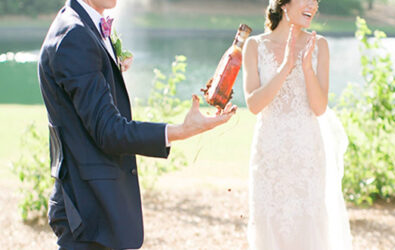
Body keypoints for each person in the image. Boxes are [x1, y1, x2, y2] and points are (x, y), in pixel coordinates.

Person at [38, 0, 237, 249]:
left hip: (93, 203)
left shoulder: (82, 25)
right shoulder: (75, 36)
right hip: (88, 209)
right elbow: (109, 131)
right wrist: (182, 130)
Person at [242, 0, 352, 249]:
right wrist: (285, 67)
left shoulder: (319, 45)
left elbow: (319, 107)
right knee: (268, 220)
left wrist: (306, 68)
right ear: (284, 4)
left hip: (307, 151)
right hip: (269, 151)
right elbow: (254, 104)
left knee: (309, 222)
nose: (313, 6)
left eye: (316, 1)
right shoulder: (254, 46)